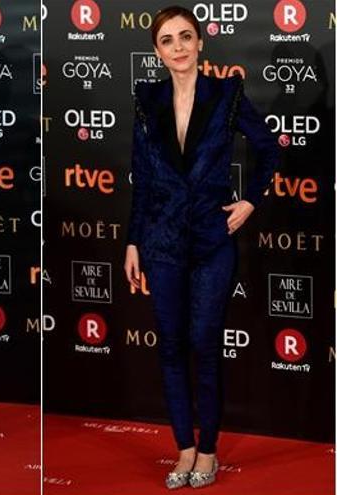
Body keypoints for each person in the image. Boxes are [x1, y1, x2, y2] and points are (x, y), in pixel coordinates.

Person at [123, 6, 278, 490]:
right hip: (163, 243)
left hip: (213, 242)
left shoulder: (226, 94)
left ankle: (208, 451)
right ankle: (184, 450)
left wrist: (251, 200)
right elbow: (142, 179)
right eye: (167, 40)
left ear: (200, 43)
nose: (178, 47)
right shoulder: (147, 99)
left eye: (185, 37)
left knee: (205, 348)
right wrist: (133, 241)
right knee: (170, 349)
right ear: (157, 52)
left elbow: (269, 147)